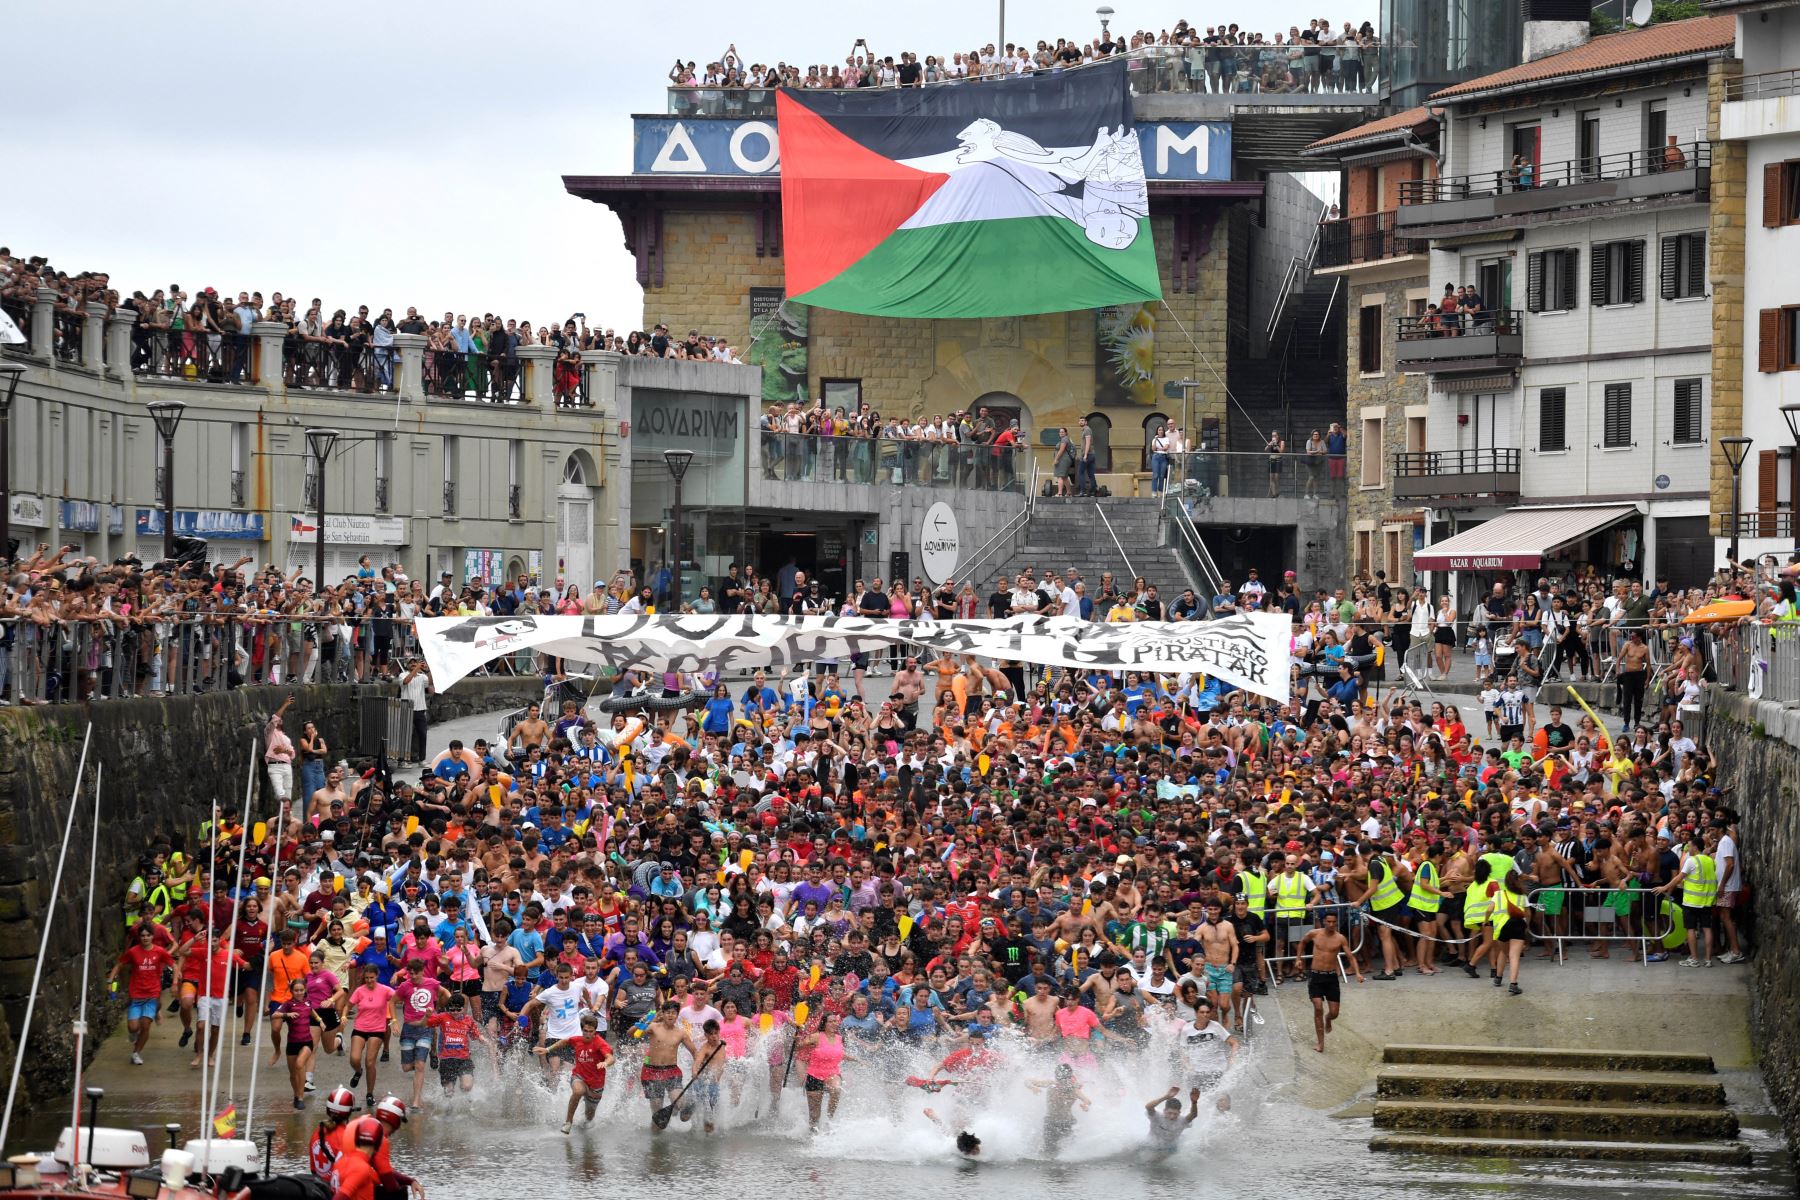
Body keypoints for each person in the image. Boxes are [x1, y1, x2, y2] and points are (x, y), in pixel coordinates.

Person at [536, 1010, 615, 1133]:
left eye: (591, 1031)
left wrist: (605, 1062)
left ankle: (585, 1126)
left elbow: (610, 1057)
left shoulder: (600, 1043)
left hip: (596, 1084)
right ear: (582, 1029)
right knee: (578, 1091)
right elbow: (565, 1041)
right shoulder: (577, 1040)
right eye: (585, 1031)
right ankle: (568, 1122)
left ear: (595, 1031)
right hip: (579, 1076)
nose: (588, 1034)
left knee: (589, 1118)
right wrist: (547, 1049)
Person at [1294, 913, 1360, 1054]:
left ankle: (1328, 1019)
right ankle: (1320, 1043)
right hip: (1315, 976)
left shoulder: (1340, 938)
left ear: (1336, 923)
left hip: (1331, 977)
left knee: (1334, 1013)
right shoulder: (1314, 933)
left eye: (1333, 922)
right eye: (1328, 921)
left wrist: (1358, 973)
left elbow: (1350, 956)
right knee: (1318, 1008)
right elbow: (1302, 942)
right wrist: (1298, 958)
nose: (1331, 924)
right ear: (1324, 921)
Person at [640, 1000, 700, 1130]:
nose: (671, 1015)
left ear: (677, 1015)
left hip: (671, 1071)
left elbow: (695, 1052)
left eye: (673, 1013)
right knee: (657, 1113)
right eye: (668, 1013)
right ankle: (655, 1144)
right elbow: (632, 1033)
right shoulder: (653, 1027)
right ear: (663, 1014)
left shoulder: (681, 1033)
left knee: (679, 1102)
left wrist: (696, 1068)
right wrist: (644, 1022)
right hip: (651, 1072)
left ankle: (683, 1106)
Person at [1179, 1000, 1238, 1109]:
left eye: (1207, 1012)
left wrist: (1232, 1058)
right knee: (1197, 1100)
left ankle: (1224, 1120)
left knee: (1222, 1100)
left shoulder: (1215, 1026)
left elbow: (1234, 1043)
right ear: (1196, 1013)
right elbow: (1183, 1051)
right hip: (1197, 1072)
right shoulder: (1186, 1029)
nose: (1205, 1015)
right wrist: (1187, 1067)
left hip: (1217, 1070)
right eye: (1202, 1012)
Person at [800, 1010, 852, 1130]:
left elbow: (839, 1054)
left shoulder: (840, 1038)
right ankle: (812, 1136)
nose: (834, 1024)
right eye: (831, 1021)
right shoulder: (816, 1036)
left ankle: (829, 1121)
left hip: (832, 1074)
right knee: (814, 1116)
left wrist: (857, 1060)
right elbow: (799, 1045)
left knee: (836, 1089)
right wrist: (800, 1041)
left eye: (836, 1021)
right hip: (814, 1075)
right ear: (824, 1023)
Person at [1026, 1063, 1092, 1156]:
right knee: (1049, 1150)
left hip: (1068, 1122)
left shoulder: (1073, 1088)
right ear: (1056, 1078)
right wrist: (1033, 1087)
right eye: (1060, 1080)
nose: (1062, 1083)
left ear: (1069, 1078)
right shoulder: (1050, 1084)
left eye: (1065, 1080)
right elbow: (1027, 1081)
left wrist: (1084, 1105)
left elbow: (1087, 1101)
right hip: (1051, 1122)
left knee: (1070, 1150)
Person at [1144, 1086, 1200, 1156]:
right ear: (1164, 1111)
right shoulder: (1156, 1116)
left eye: (1175, 1114)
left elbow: (1193, 1115)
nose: (1172, 1116)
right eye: (1169, 1113)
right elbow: (1148, 1107)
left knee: (1158, 1161)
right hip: (1150, 1145)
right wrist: (1166, 1097)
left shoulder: (1182, 1120)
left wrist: (1194, 1102)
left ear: (1179, 1113)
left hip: (1170, 1150)